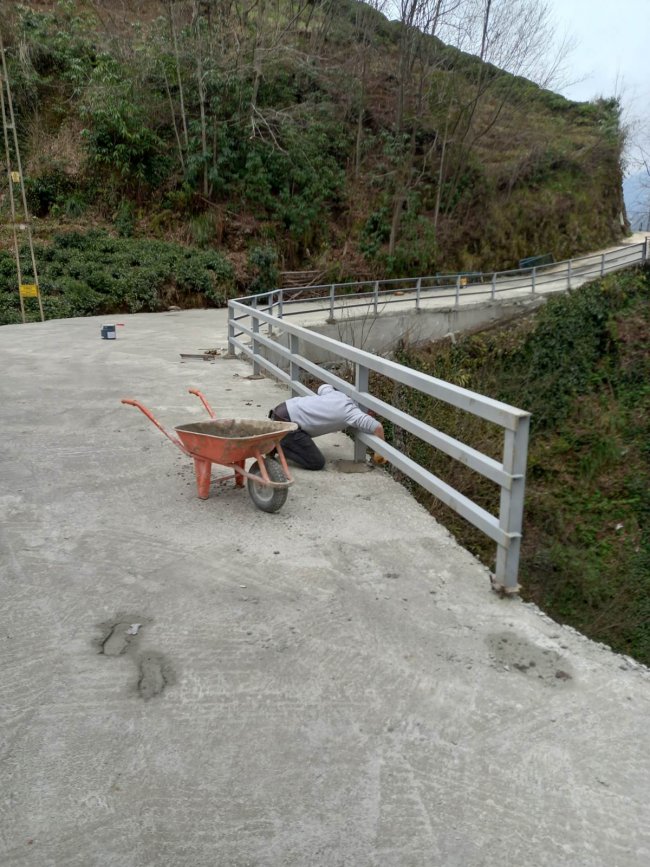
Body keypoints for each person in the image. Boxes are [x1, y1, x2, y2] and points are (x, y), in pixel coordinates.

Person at [269, 384, 384, 470]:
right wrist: (380, 453)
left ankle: (280, 439)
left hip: (281, 410)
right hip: (288, 424)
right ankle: (278, 445)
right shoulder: (353, 413)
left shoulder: (339, 395)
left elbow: (323, 387)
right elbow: (377, 427)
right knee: (316, 463)